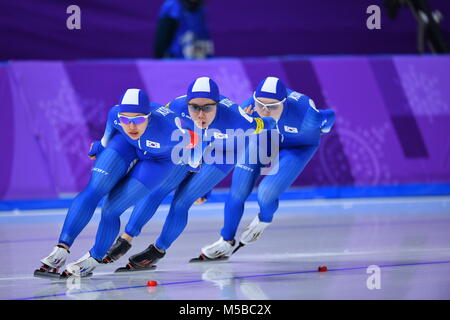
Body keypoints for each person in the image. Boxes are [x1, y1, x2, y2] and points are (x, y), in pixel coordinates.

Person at [95, 77, 277, 273]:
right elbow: (156, 123)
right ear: (187, 104)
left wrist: (274, 121)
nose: (200, 114)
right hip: (190, 146)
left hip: (223, 153)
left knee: (182, 201)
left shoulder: (239, 119)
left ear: (217, 105)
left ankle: (158, 250)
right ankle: (125, 239)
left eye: (207, 108)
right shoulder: (177, 106)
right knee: (158, 188)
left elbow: (267, 123)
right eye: (194, 107)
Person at [34, 88, 194, 278]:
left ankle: (94, 258)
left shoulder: (170, 131)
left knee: (111, 208)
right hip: (126, 145)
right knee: (95, 189)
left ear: (149, 117)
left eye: (138, 120)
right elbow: (107, 135)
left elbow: (194, 146)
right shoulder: (115, 115)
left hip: (157, 162)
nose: (131, 126)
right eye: (126, 119)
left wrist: (194, 163)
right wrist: (100, 146)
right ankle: (61, 248)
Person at [192, 76, 336, 261]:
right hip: (265, 140)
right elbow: (222, 142)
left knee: (266, 192)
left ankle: (263, 219)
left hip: (298, 147)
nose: (266, 112)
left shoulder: (307, 114)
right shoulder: (249, 108)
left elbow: (329, 115)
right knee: (238, 189)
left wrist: (323, 130)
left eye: (273, 107)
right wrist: (207, 186)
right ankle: (225, 241)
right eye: (261, 105)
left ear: (285, 103)